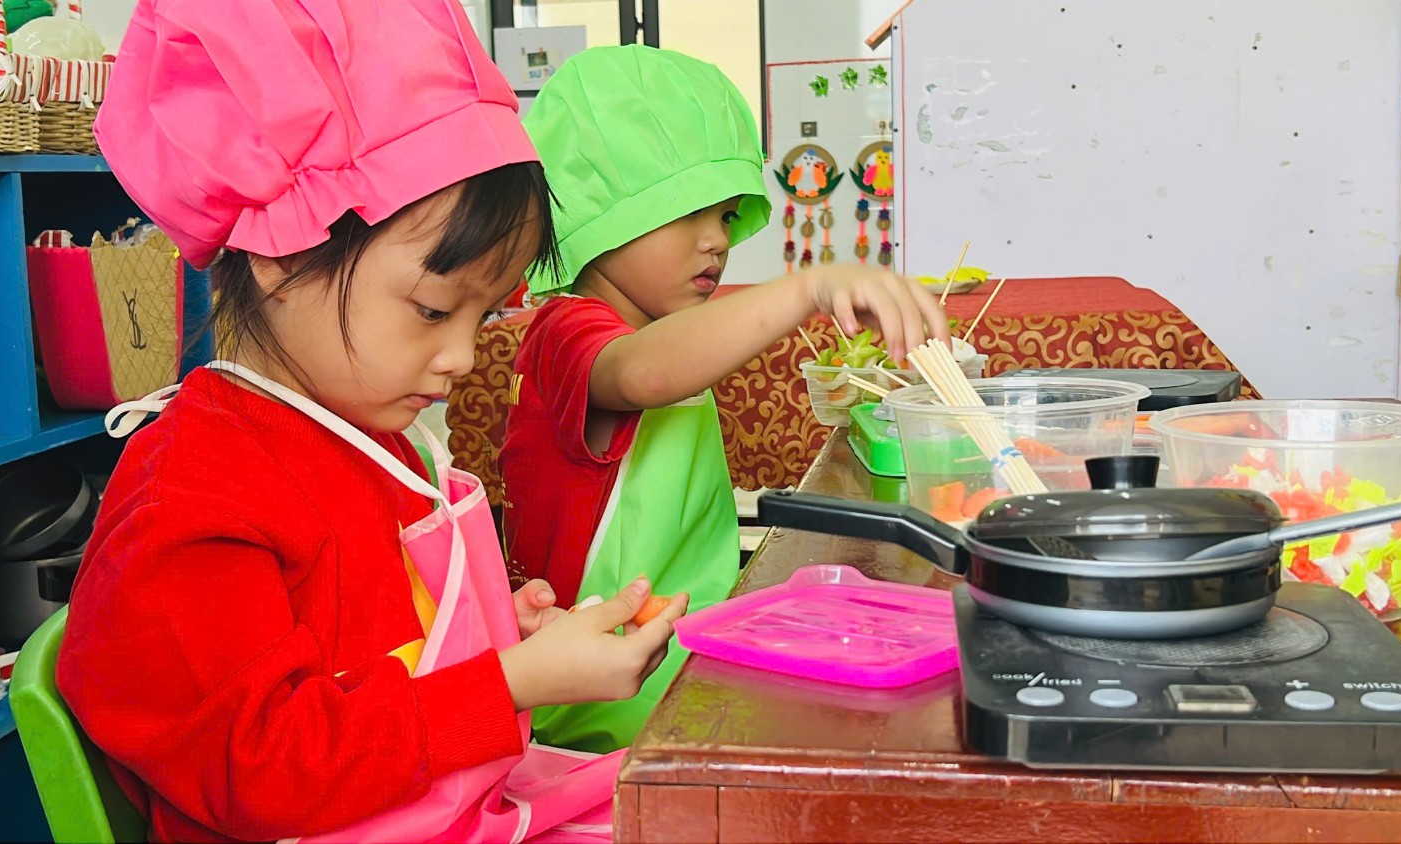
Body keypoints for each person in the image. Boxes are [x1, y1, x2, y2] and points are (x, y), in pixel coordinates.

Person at [55, 4, 682, 842]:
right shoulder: (195, 494)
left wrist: (506, 633)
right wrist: (508, 682)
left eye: (484, 316)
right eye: (433, 310)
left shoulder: (369, 437)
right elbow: (262, 767)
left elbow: (369, 646)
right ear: (284, 254)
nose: (462, 356)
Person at [502, 44, 950, 753]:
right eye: (687, 212)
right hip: (604, 714)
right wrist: (808, 286)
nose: (716, 240)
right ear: (604, 212)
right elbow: (646, 374)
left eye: (727, 214)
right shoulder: (569, 330)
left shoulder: (656, 327)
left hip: (679, 664)